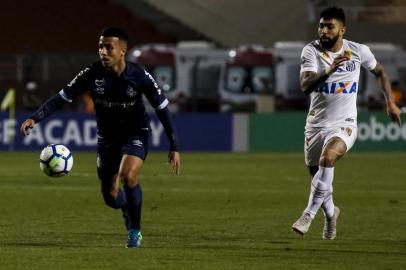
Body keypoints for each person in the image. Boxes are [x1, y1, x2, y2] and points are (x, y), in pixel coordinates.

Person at [20, 27, 181, 248]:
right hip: (107, 139)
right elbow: (61, 97)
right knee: (110, 196)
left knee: (128, 176)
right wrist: (35, 118)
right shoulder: (92, 74)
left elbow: (162, 108)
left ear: (123, 50)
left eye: (108, 47)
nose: (103, 52)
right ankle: (126, 207)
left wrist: (174, 144)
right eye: (100, 47)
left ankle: (135, 231)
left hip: (136, 133)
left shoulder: (139, 76)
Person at [291, 6, 401, 240]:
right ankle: (331, 214)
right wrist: (330, 70)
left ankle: (307, 215)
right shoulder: (311, 51)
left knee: (328, 158)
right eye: (321, 25)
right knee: (320, 185)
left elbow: (380, 72)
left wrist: (390, 102)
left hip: (345, 123)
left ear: (342, 29)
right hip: (315, 126)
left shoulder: (358, 51)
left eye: (329, 26)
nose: (323, 30)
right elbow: (305, 85)